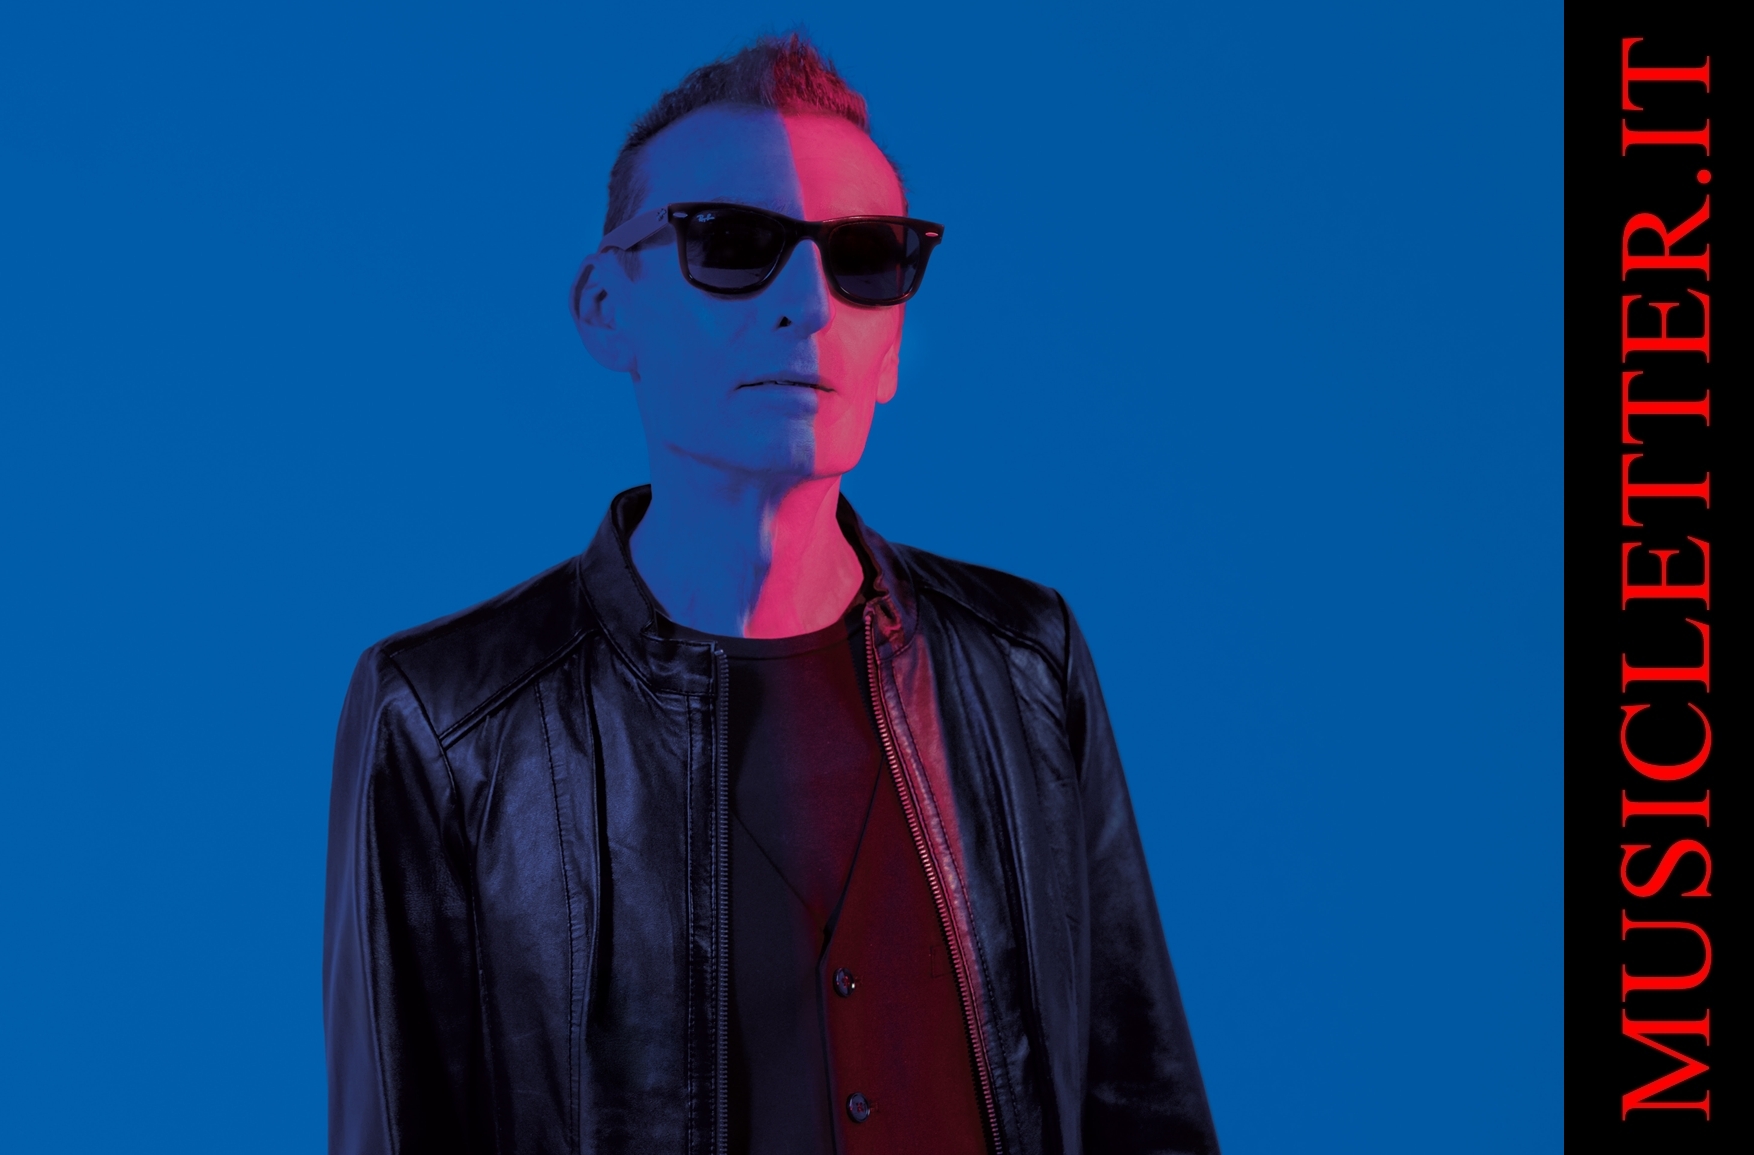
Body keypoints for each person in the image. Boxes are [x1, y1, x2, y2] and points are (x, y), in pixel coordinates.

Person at [325, 33, 1217, 1155]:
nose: (810, 303)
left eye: (866, 259)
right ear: (605, 306)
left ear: (892, 347)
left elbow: (1141, 1107)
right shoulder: (447, 717)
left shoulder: (1025, 662)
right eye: (734, 245)